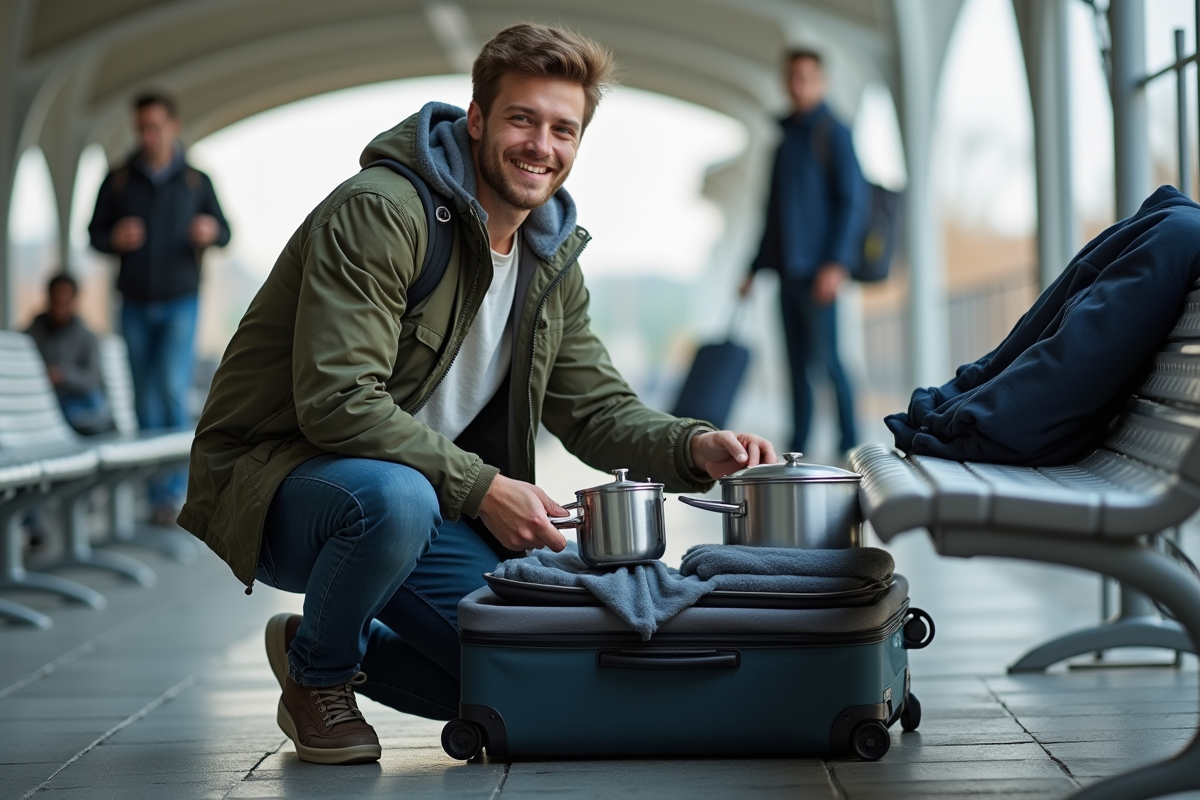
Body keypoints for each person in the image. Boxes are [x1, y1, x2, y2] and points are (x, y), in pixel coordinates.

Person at [179, 23, 777, 766]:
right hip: (282, 482)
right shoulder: (382, 212)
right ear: (477, 119)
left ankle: (328, 638)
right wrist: (486, 489)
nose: (541, 146)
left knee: (534, 672)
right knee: (396, 500)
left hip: (425, 496)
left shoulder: (549, 258)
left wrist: (693, 445)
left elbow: (595, 409)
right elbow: (338, 400)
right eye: (522, 119)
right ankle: (318, 679)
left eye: (563, 129)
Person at [88, 91, 230, 523]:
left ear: (173, 126)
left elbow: (225, 232)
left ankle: (171, 495)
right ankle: (154, 496)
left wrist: (210, 231)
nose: (146, 136)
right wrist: (113, 239)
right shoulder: (117, 180)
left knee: (170, 391)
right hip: (133, 303)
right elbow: (93, 234)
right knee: (143, 400)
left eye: (153, 127)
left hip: (181, 302)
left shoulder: (196, 181)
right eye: (140, 128)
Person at [739, 48, 868, 457]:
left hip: (820, 271)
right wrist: (754, 268)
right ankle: (799, 447)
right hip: (787, 271)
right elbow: (773, 214)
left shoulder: (834, 132)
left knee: (828, 360)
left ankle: (850, 443)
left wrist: (836, 262)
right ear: (785, 81)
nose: (800, 85)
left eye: (808, 78)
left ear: (822, 83)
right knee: (795, 365)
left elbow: (853, 201)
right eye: (794, 77)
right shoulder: (784, 142)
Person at [25, 273, 113, 436]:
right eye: (57, 300)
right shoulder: (29, 335)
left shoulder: (87, 338)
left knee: (94, 405)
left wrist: (62, 376)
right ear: (48, 299)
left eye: (65, 301)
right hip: (39, 406)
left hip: (77, 404)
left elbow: (93, 380)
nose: (60, 307)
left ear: (74, 301)